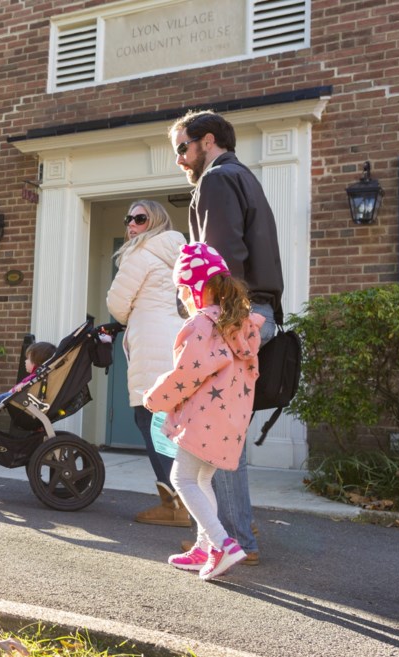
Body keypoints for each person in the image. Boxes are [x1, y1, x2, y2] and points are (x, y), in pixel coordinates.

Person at [168, 109, 285, 566]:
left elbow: (221, 257)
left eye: (183, 147)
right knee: (223, 426)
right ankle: (223, 535)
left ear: (207, 140)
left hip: (235, 314)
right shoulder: (245, 179)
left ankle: (233, 539)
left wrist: (209, 315)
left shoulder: (217, 181)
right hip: (257, 312)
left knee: (213, 428)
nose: (180, 159)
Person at [144, 243, 263, 580]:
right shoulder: (240, 325)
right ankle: (203, 547)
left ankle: (223, 544)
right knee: (202, 479)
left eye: (183, 288)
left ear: (198, 288)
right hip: (230, 421)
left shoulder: (202, 325)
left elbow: (187, 375)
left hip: (202, 420)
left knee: (180, 478)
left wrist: (155, 398)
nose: (181, 296)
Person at [105, 200, 189, 527]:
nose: (131, 224)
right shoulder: (180, 254)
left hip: (151, 346)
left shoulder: (139, 253)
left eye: (140, 218)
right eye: (128, 218)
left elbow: (116, 303)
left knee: (149, 420)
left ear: (155, 221)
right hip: (178, 343)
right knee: (172, 424)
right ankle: (187, 500)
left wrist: (133, 317)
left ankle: (175, 503)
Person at [0, 341, 56, 418]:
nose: (25, 361)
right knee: (5, 397)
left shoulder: (36, 378)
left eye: (28, 358)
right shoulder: (39, 377)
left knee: (4, 397)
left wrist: (22, 386)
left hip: (25, 407)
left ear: (36, 362)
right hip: (27, 407)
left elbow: (28, 387)